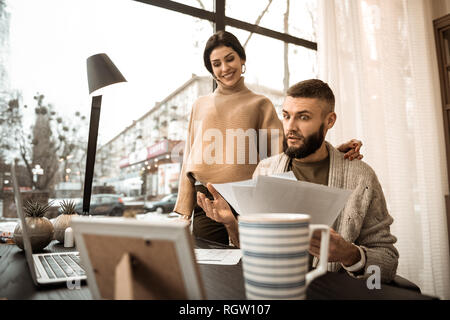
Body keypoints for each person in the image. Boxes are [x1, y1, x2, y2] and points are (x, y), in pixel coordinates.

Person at [197, 79, 399, 283]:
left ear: (329, 121)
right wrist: (231, 224)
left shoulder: (361, 178)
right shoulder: (265, 170)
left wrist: (350, 254)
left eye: (303, 117)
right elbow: (252, 252)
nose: (290, 127)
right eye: (286, 116)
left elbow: (388, 264)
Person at [175, 31, 363, 245]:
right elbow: (189, 154)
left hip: (246, 197)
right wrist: (184, 207)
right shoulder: (199, 104)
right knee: (209, 267)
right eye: (216, 64)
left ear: (241, 59)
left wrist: (332, 152)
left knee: (246, 262)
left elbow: (286, 151)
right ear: (211, 69)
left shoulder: (260, 104)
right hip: (206, 199)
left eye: (230, 59)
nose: (225, 68)